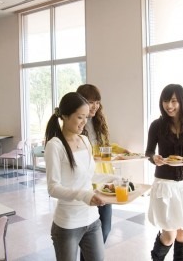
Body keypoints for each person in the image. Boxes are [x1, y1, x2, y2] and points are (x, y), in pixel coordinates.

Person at [45, 92, 111, 261]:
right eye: (80, 117)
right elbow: (53, 188)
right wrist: (84, 195)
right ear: (65, 116)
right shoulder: (55, 145)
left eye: (86, 117)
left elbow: (89, 176)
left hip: (92, 219)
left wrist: (113, 179)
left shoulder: (84, 140)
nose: (85, 122)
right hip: (67, 224)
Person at [145, 84, 183, 260]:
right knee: (169, 235)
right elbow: (149, 152)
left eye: (174, 101)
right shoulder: (157, 125)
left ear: (181, 101)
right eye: (166, 100)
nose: (169, 105)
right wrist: (155, 158)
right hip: (165, 185)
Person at [77, 84, 129, 246]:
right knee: (87, 234)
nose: (95, 106)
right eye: (91, 102)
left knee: (105, 229)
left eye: (97, 102)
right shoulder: (77, 124)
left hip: (105, 182)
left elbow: (105, 146)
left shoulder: (99, 122)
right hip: (87, 184)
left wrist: (122, 150)